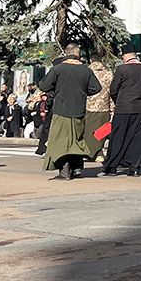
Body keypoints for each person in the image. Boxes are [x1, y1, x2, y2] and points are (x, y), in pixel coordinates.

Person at [37, 43, 102, 180]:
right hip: (79, 109)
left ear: (66, 54)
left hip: (62, 109)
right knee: (77, 140)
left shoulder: (59, 69)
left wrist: (56, 88)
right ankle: (77, 168)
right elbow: (96, 88)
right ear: (78, 54)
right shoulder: (86, 70)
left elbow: (44, 85)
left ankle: (64, 170)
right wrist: (82, 92)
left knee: (60, 141)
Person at [103, 45, 141, 176]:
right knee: (137, 137)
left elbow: (113, 89)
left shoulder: (122, 69)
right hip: (140, 108)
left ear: (125, 56)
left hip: (123, 108)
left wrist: (117, 101)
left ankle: (112, 166)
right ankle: (134, 166)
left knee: (118, 137)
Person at [83, 60, 114, 160]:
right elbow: (112, 92)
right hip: (104, 107)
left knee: (88, 131)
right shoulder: (108, 74)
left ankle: (90, 152)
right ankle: (98, 152)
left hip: (88, 106)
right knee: (101, 132)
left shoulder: (87, 73)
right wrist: (112, 108)